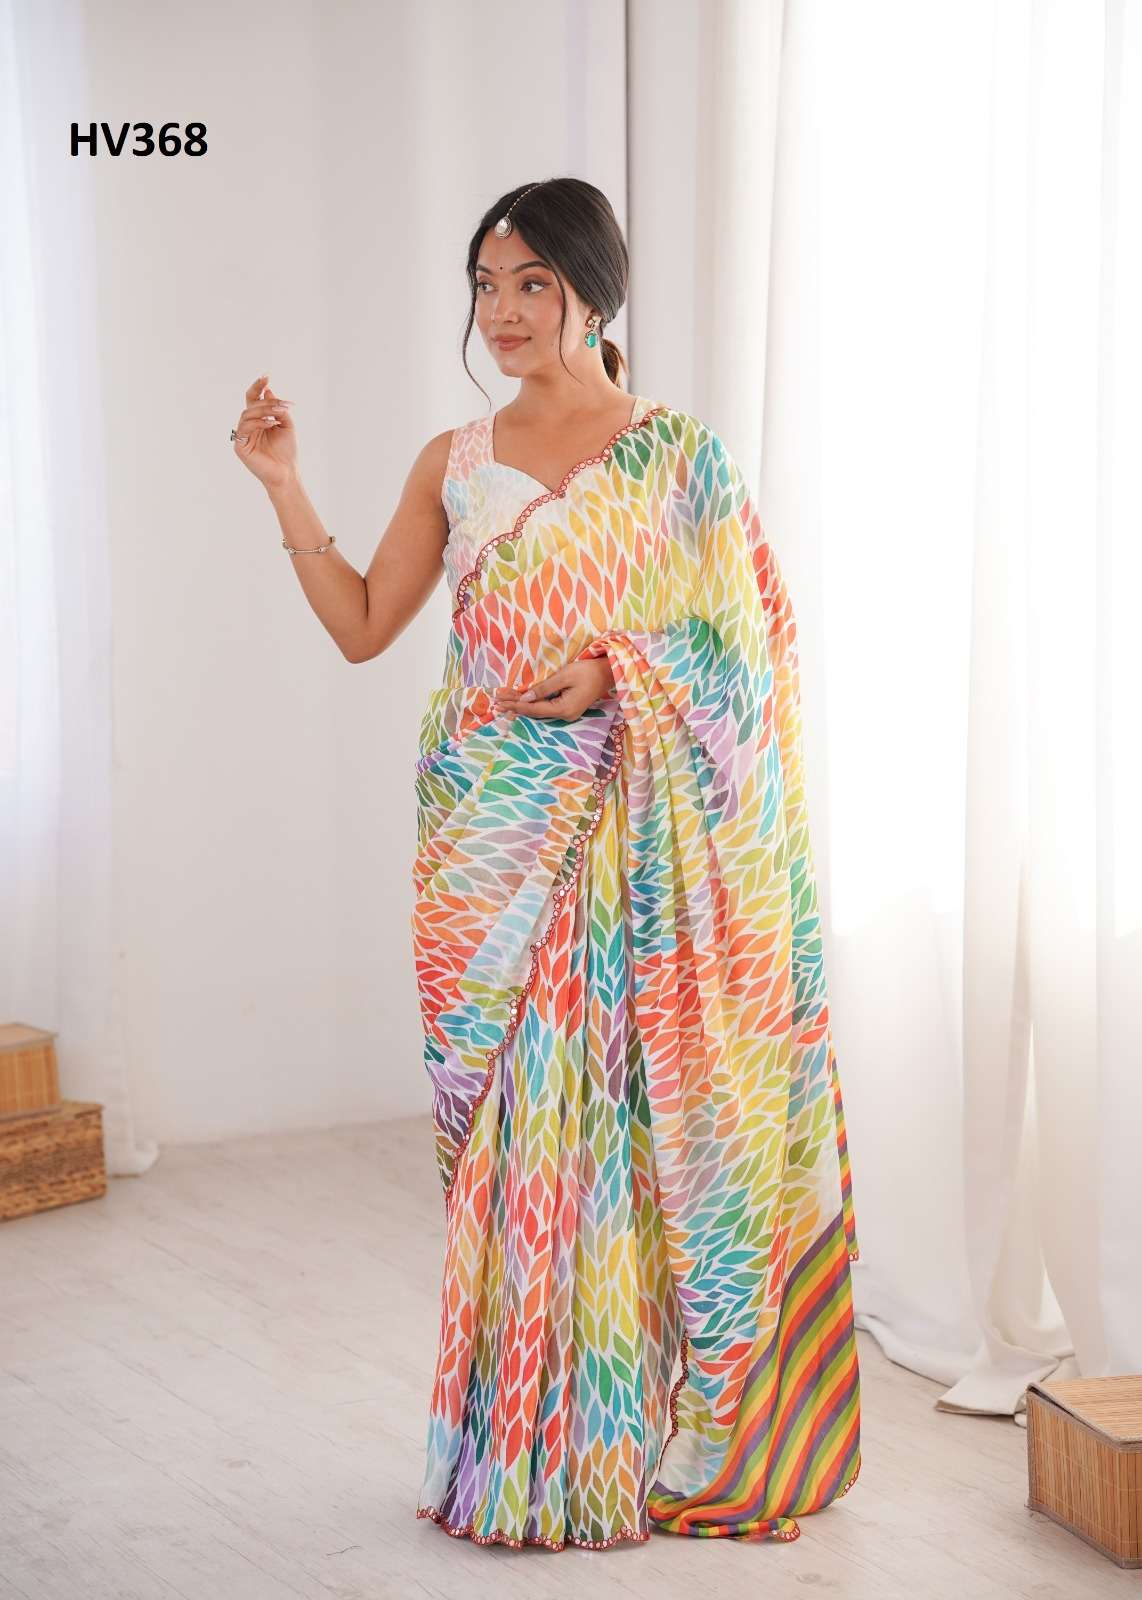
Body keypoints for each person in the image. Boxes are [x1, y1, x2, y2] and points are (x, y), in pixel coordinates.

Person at [231, 176, 861, 1553]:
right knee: (515, 1148)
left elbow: (749, 651)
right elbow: (363, 626)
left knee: (625, 1138)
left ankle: (627, 1441)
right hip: (487, 837)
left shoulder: (679, 458)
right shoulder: (453, 460)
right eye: (485, 284)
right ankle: (518, 1444)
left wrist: (616, 673)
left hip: (636, 842)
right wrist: (285, 487)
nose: (503, 312)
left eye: (532, 284)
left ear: (594, 291)